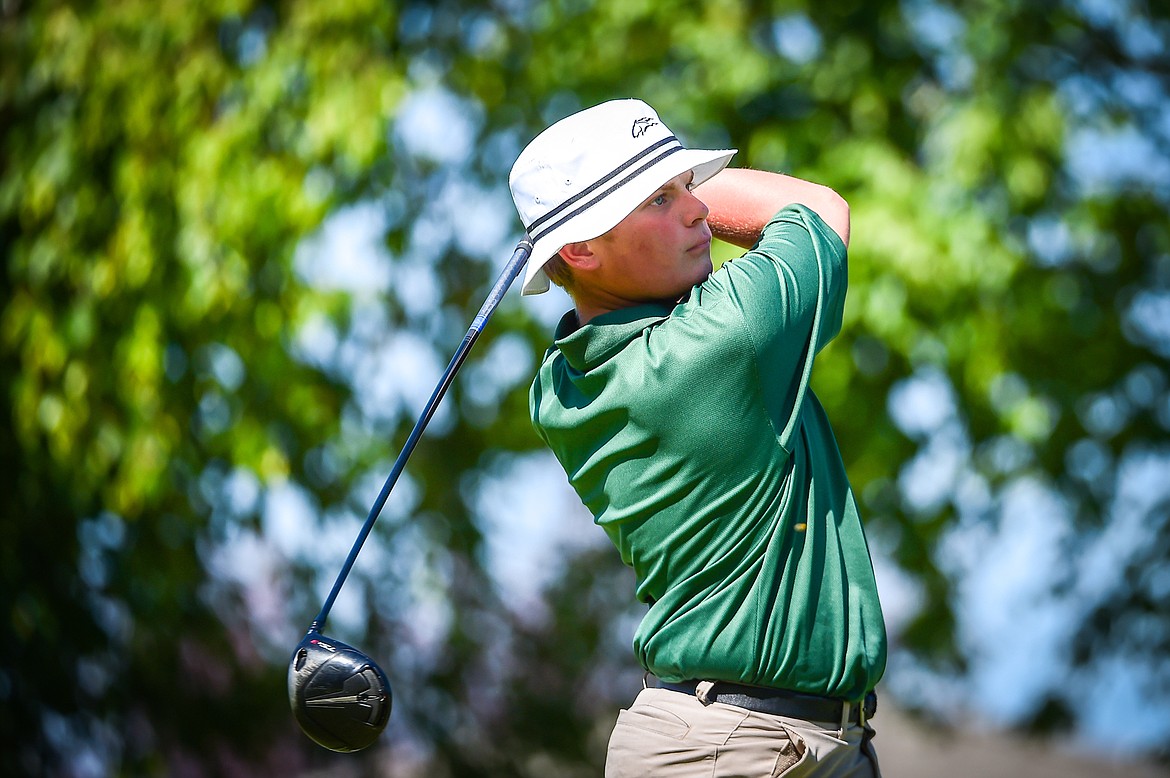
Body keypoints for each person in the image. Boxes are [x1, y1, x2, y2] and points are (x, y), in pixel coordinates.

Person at [509, 98, 886, 777]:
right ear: (581, 249)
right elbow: (821, 210)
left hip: (774, 741)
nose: (699, 210)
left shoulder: (558, 387)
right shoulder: (715, 341)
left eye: (691, 185)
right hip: (730, 751)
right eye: (659, 200)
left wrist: (640, 187)